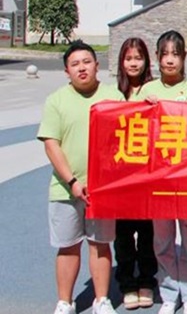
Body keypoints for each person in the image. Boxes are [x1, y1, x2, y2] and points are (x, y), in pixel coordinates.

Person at [38, 41, 124, 314]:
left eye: (87, 62)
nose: (82, 68)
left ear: (97, 65)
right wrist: (73, 182)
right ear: (67, 71)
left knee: (100, 245)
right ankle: (65, 302)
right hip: (65, 189)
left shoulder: (113, 97)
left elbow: (126, 137)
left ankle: (101, 300)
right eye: (75, 64)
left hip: (102, 190)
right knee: (67, 246)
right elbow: (51, 144)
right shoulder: (56, 101)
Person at [141, 30, 187, 314]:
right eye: (164, 54)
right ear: (156, 57)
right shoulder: (146, 91)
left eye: (175, 54)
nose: (169, 60)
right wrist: (145, 110)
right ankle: (168, 293)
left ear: (184, 57)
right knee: (162, 240)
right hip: (159, 181)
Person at [114, 37, 157, 310]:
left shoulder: (154, 90)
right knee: (123, 233)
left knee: (148, 231)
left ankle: (147, 281)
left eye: (138, 58)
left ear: (146, 61)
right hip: (120, 177)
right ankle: (127, 282)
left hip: (149, 175)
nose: (133, 63)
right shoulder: (112, 92)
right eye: (128, 58)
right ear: (121, 62)